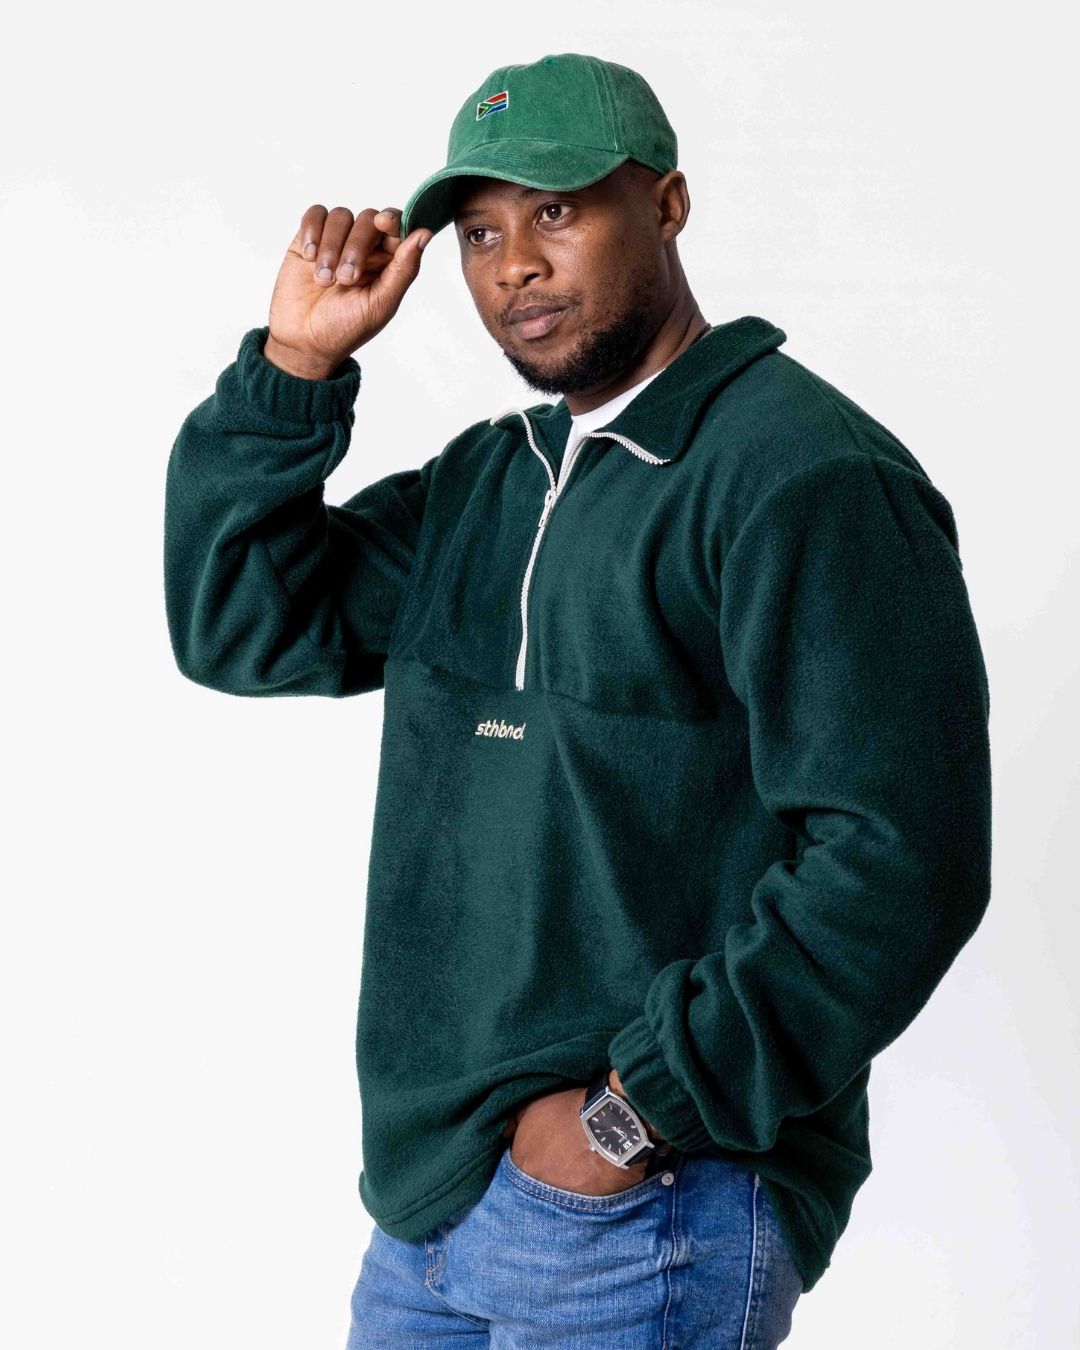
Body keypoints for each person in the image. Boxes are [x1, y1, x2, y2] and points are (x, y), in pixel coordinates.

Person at [163, 51, 992, 1349]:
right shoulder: (490, 484)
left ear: (664, 205)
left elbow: (902, 860)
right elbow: (242, 624)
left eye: (557, 211)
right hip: (430, 1209)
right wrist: (294, 366)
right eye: (482, 230)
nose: (515, 264)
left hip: (650, 1206)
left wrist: (632, 1111)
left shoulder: (803, 477)